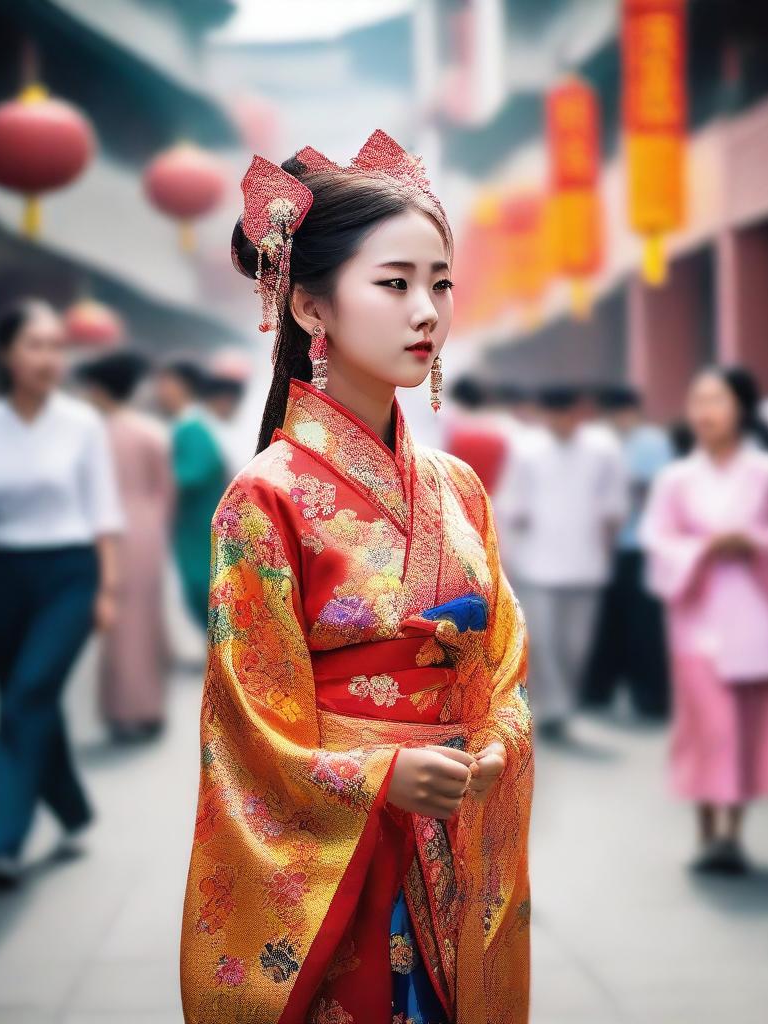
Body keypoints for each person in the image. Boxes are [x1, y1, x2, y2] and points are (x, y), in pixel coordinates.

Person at [179, 132, 532, 1024]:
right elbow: (251, 725)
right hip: (348, 859)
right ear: (308, 308)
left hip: (448, 837)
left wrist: (492, 744)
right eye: (396, 282)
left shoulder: (457, 489)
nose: (428, 311)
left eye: (441, 282)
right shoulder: (264, 497)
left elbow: (504, 658)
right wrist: (379, 775)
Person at [0, 299, 124, 891]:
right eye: (35, 345)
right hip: (0, 574)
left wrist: (108, 587)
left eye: (56, 346)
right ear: (5, 355)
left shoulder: (81, 424)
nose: (49, 358)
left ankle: (1, 845)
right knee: (28, 700)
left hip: (69, 575)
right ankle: (71, 809)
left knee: (25, 698)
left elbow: (102, 510)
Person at [641, 367, 768, 874]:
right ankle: (707, 829)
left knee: (746, 727)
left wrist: (755, 543)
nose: (706, 411)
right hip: (697, 615)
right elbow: (658, 541)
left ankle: (734, 831)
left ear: (742, 408)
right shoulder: (675, 478)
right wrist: (702, 548)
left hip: (751, 611)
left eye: (718, 400)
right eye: (698, 400)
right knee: (707, 728)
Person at [496, 385, 628, 747]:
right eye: (554, 415)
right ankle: (554, 709)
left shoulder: (603, 449)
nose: (561, 422)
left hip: (586, 564)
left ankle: (561, 702)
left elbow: (614, 507)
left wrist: (606, 549)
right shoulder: (526, 449)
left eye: (567, 414)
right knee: (543, 642)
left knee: (576, 644)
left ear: (580, 411)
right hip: (536, 563)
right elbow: (510, 505)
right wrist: (508, 555)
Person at [77, 351, 174, 742]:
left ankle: (125, 708)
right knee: (145, 617)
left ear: (99, 391)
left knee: (117, 622)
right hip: (147, 531)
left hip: (107, 532)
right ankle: (148, 705)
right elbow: (164, 491)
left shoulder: (93, 435)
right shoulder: (151, 432)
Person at [584, 386, 673, 720]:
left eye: (622, 413)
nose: (618, 420)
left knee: (644, 625)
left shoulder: (652, 442)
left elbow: (659, 488)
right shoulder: (600, 442)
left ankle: (650, 695)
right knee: (607, 623)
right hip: (604, 547)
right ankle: (599, 691)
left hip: (640, 544)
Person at [154, 359, 228, 630]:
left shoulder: (192, 426)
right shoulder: (186, 425)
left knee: (202, 587)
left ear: (183, 387)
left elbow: (195, 471)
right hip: (190, 525)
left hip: (199, 523)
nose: (159, 390)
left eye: (165, 383)